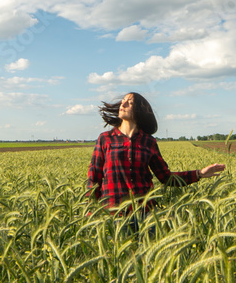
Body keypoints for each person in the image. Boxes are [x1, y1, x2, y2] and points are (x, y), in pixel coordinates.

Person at [86, 92, 225, 223]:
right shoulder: (105, 139)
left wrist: (199, 174)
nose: (123, 105)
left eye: (130, 102)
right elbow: (94, 177)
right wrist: (90, 209)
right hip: (114, 214)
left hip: (146, 214)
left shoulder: (149, 141)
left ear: (139, 110)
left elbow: (166, 177)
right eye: (123, 102)